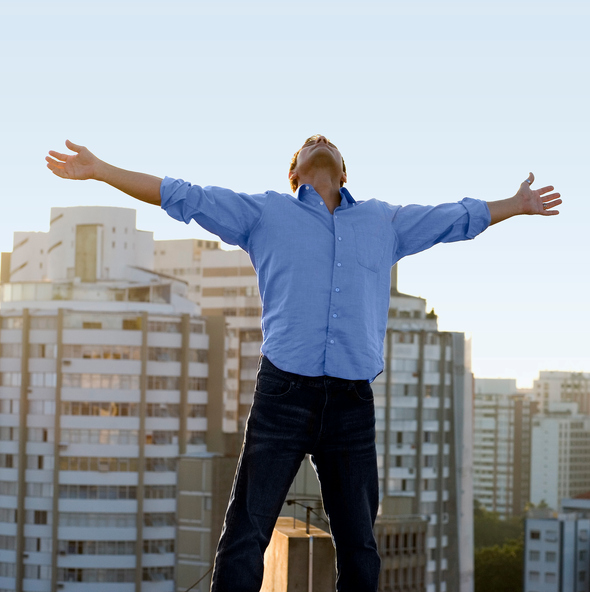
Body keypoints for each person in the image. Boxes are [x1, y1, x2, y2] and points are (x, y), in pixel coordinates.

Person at [46, 136, 561, 592]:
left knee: (360, 546)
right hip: (283, 396)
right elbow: (182, 195)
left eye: (328, 140)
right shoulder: (264, 213)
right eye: (309, 141)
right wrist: (101, 169)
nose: (320, 139)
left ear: (344, 171)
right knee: (246, 532)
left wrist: (516, 204)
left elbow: (458, 217)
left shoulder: (384, 221)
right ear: (294, 173)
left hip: (352, 404)